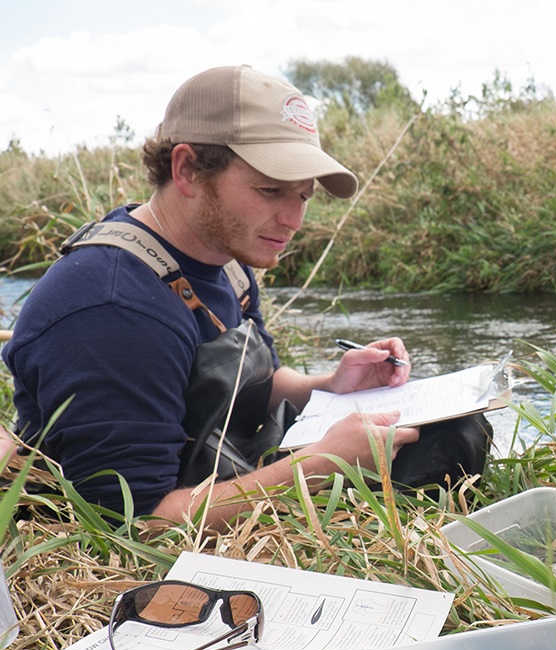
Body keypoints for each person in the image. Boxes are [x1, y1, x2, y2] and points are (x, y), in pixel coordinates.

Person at [1, 65, 490, 529]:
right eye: (270, 190)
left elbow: (250, 381)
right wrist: (319, 466)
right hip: (167, 510)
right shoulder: (112, 308)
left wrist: (331, 384)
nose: (293, 221)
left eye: (303, 195)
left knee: (455, 430)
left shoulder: (225, 254)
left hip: (222, 467)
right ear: (189, 169)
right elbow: (137, 522)